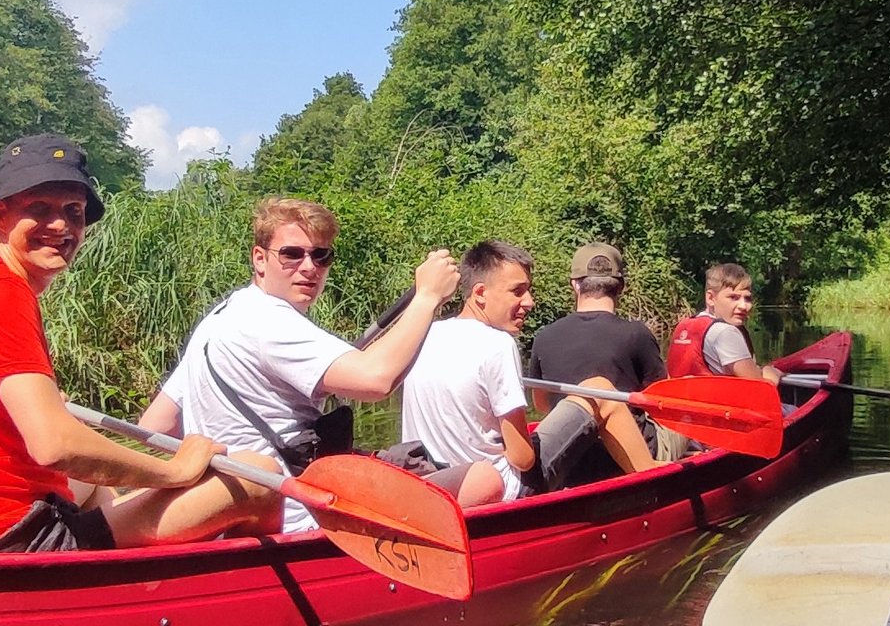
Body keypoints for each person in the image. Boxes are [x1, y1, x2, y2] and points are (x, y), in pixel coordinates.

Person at [0, 133, 276, 555]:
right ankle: (248, 592)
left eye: (74, 212)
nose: (61, 226)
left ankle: (124, 575)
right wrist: (173, 470)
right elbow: (55, 446)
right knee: (257, 475)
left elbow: (17, 421)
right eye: (40, 209)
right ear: (1, 214)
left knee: (93, 488)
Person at [140, 198, 460, 532]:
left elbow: (156, 424)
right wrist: (427, 298)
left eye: (321, 255)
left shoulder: (219, 319)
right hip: (297, 518)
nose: (309, 267)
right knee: (480, 479)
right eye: (292, 254)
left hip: (228, 521)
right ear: (260, 259)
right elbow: (377, 379)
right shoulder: (268, 320)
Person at [399, 240, 538, 507]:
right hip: (499, 488)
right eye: (517, 291)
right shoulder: (498, 344)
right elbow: (522, 458)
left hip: (431, 481)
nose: (529, 302)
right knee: (587, 405)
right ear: (480, 293)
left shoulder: (426, 333)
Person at [524, 242, 668, 489]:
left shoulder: (544, 336)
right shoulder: (637, 334)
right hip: (628, 454)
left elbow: (542, 404)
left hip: (572, 457)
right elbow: (663, 403)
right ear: (621, 287)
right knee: (686, 426)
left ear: (575, 284)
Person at [666, 262, 780, 384]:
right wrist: (772, 374)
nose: (744, 306)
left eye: (747, 298)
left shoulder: (684, 326)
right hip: (720, 402)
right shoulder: (725, 333)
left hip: (685, 400)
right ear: (710, 298)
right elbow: (761, 389)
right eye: (733, 297)